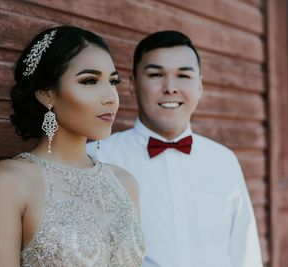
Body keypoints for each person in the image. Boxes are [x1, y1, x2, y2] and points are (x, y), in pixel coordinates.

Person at [88, 31, 263, 267]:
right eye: (156, 74)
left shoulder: (224, 160)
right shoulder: (97, 157)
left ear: (200, 86)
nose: (170, 87)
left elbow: (245, 254)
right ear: (132, 84)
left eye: (183, 75)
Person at [0, 26, 145, 267]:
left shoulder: (125, 183)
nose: (111, 97)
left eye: (113, 81)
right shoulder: (9, 181)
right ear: (47, 93)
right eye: (90, 81)